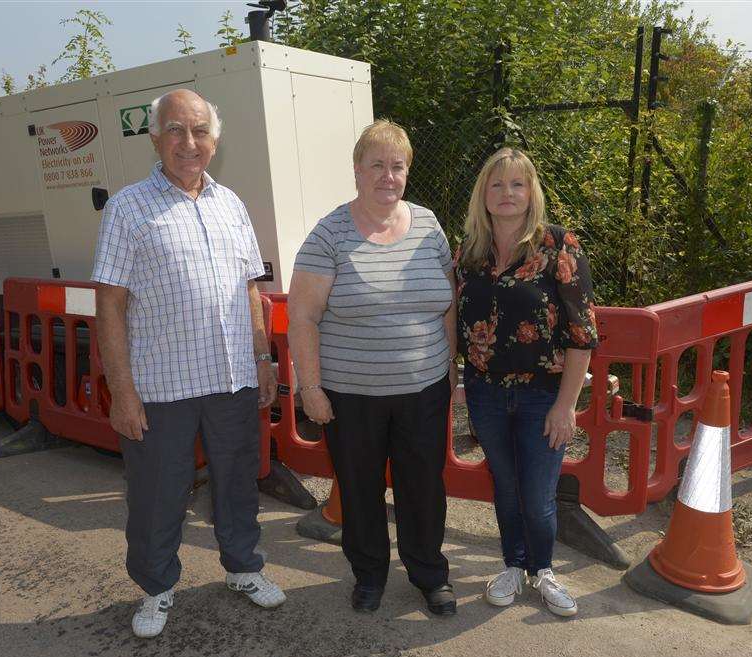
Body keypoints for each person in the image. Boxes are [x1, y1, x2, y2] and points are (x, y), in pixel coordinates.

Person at [91, 89, 285, 639]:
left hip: (231, 381)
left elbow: (251, 291)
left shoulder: (232, 205)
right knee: (158, 493)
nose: (189, 142)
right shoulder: (129, 207)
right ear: (155, 138)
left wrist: (263, 358)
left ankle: (244, 569)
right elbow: (109, 304)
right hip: (160, 387)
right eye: (176, 130)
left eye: (199, 130)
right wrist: (121, 393)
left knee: (238, 483)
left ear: (215, 141)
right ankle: (156, 588)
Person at [287, 120, 458, 616]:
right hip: (350, 394)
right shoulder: (330, 233)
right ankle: (369, 575)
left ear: (407, 172)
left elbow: (446, 303)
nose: (388, 175)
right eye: (377, 165)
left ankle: (430, 575)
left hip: (424, 388)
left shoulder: (429, 225)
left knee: (423, 485)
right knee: (360, 489)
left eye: (397, 166)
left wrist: (449, 363)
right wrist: (310, 388)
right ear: (358, 170)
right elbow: (302, 317)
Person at [455, 147, 598, 617]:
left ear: (531, 191)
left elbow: (582, 334)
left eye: (517, 184)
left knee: (537, 496)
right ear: (484, 194)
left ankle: (544, 570)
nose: (507, 193)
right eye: (497, 184)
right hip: (485, 392)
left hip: (543, 395)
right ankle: (513, 565)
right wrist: (456, 380)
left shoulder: (561, 246)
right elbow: (453, 320)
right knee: (506, 488)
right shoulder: (469, 253)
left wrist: (566, 406)